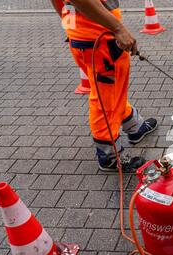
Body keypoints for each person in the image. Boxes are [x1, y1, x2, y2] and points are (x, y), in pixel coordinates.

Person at [50, 0, 157, 172]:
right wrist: (118, 29)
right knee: (105, 101)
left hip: (84, 38)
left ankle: (134, 126)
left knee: (111, 92)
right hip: (100, 41)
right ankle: (109, 156)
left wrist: (70, 24)